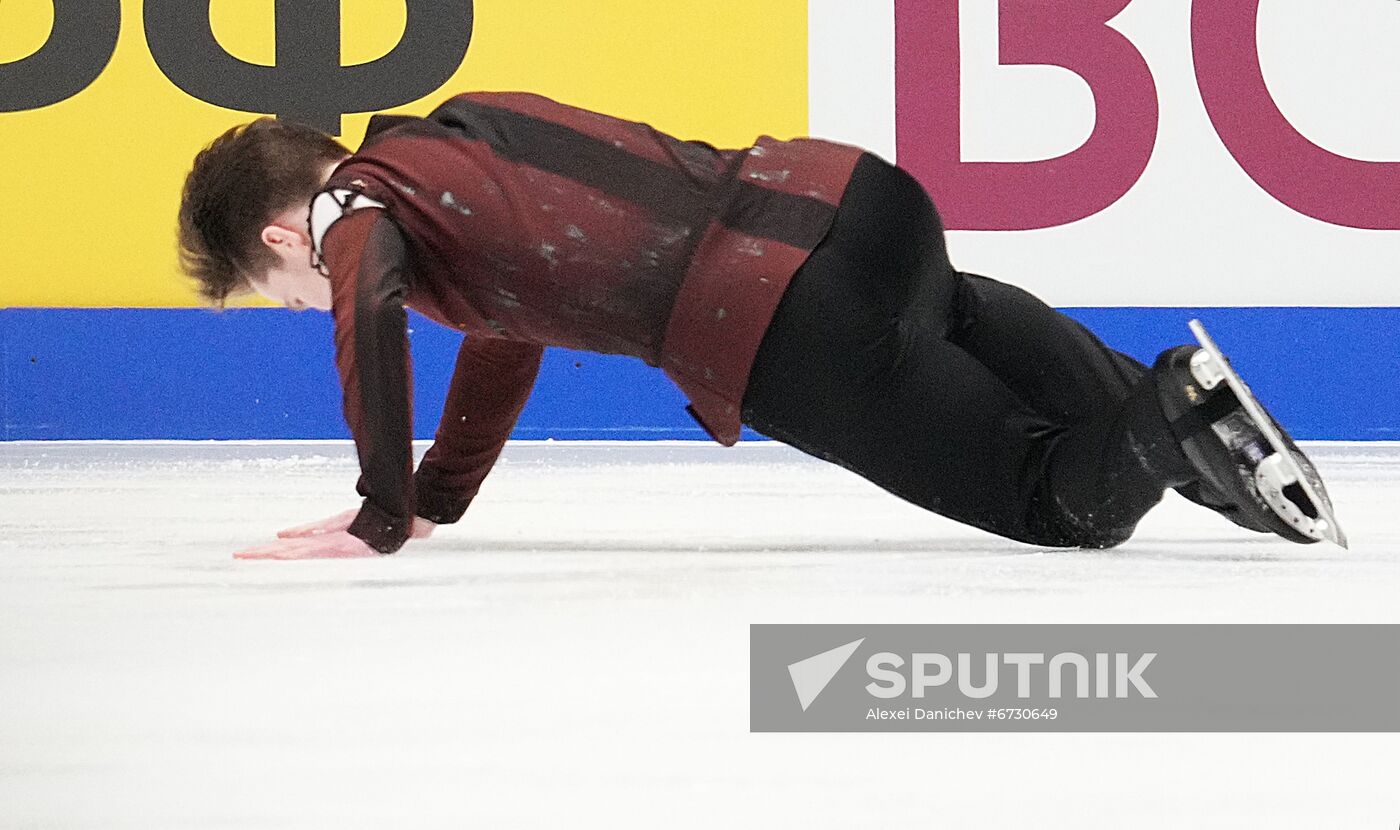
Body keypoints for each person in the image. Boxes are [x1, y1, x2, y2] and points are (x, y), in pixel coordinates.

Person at [176, 91, 1336, 560]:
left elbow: (367, 295)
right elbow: (506, 327)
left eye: (277, 293)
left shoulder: (353, 211)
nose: (306, 298)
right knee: (965, 320)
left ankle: (1171, 408)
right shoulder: (455, 143)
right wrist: (436, 495)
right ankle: (1192, 432)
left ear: (283, 239)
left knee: (1045, 498)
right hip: (856, 203)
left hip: (773, 315)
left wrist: (381, 513)